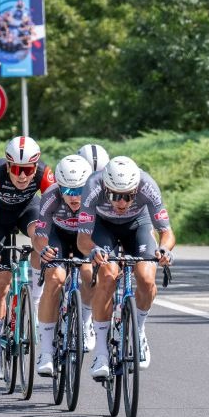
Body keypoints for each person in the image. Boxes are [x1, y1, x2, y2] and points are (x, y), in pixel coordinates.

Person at [75, 155, 175, 379]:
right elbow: (82, 239)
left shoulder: (147, 185)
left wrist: (165, 250)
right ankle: (101, 352)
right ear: (105, 187)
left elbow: (166, 232)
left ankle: (139, 331)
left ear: (136, 188)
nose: (121, 203)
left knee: (147, 278)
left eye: (128, 196)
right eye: (114, 196)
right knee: (108, 276)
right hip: (103, 227)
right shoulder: (92, 186)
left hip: (138, 224)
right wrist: (93, 250)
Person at [0, 135, 56, 380]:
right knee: (0, 281)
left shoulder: (45, 173)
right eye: (17, 169)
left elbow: (55, 213)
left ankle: (34, 296)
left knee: (39, 236)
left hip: (27, 211)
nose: (22, 176)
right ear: (9, 166)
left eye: (28, 170)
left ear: (36, 167)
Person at [33, 147, 108, 376]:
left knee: (89, 276)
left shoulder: (97, 195)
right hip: (59, 237)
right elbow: (40, 234)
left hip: (85, 238)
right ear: (59, 186)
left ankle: (85, 323)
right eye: (67, 190)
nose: (74, 197)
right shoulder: (51, 196)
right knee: (54, 279)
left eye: (79, 190)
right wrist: (43, 250)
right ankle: (46, 352)